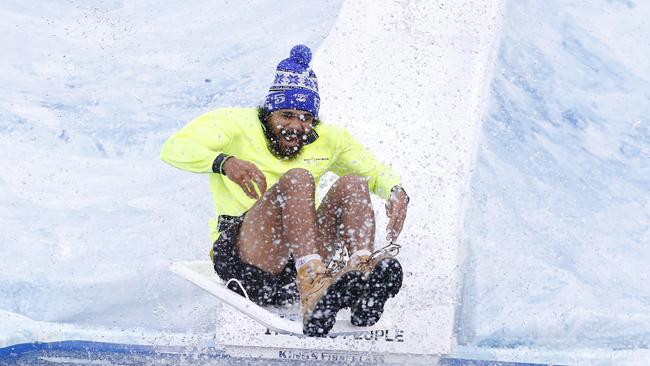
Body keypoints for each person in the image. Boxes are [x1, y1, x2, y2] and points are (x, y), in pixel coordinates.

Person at [160, 45, 409, 336]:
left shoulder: (328, 138)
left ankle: (361, 279)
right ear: (269, 113)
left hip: (301, 254)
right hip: (250, 260)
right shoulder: (234, 124)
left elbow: (374, 169)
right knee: (299, 178)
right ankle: (313, 285)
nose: (295, 126)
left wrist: (395, 190)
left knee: (353, 184)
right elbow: (173, 149)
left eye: (305, 118)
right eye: (286, 115)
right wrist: (223, 162)